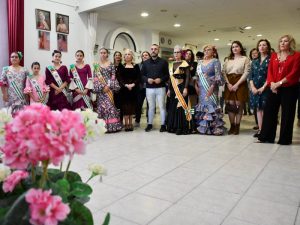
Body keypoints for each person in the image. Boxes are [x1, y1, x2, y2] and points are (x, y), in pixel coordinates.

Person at [258, 35, 300, 145]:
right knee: (269, 112)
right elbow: (270, 71)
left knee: (287, 114)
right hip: (274, 87)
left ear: (290, 43)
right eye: (281, 41)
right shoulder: (274, 55)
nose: (282, 43)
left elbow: (294, 73)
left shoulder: (296, 55)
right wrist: (272, 84)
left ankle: (284, 140)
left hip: (289, 88)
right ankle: (266, 137)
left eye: (285, 41)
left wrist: (279, 83)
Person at [194, 44, 226, 135]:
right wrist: (196, 85)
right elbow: (197, 75)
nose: (206, 51)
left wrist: (212, 87)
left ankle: (215, 128)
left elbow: (218, 76)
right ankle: (204, 128)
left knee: (212, 106)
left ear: (213, 52)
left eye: (209, 50)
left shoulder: (215, 61)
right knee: (203, 106)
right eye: (205, 50)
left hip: (212, 87)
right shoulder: (200, 62)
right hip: (201, 88)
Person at [222, 41, 250, 135]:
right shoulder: (228, 60)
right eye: (233, 47)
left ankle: (237, 126)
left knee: (238, 104)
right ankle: (232, 125)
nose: (234, 48)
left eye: (236, 46)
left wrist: (237, 84)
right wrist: (228, 83)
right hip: (229, 82)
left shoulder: (245, 59)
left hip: (240, 82)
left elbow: (246, 73)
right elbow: (223, 72)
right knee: (230, 105)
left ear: (240, 48)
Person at [93, 47, 122, 133]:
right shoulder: (96, 65)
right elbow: (95, 78)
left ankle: (112, 127)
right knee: (102, 107)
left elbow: (113, 76)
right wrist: (102, 87)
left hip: (109, 89)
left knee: (110, 106)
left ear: (107, 54)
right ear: (99, 54)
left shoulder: (111, 64)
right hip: (101, 90)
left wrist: (108, 86)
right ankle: (102, 127)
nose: (103, 54)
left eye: (104, 53)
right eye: (101, 53)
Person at [141, 44, 169, 132]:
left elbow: (167, 75)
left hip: (161, 88)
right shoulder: (145, 63)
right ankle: (149, 124)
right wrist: (146, 79)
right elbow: (141, 75)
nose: (153, 50)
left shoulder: (164, 62)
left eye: (155, 49)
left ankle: (163, 125)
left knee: (162, 107)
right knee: (151, 107)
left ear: (158, 50)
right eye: (152, 49)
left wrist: (161, 79)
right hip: (149, 88)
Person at [166, 45, 193, 135]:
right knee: (173, 107)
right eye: (175, 52)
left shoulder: (185, 63)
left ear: (181, 53)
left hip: (182, 87)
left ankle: (183, 127)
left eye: (178, 52)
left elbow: (188, 77)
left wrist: (185, 88)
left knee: (183, 106)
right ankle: (173, 126)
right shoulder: (171, 64)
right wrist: (169, 89)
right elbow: (170, 78)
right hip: (173, 88)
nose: (176, 54)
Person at [249, 40, 271, 137]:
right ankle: (260, 129)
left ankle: (266, 131)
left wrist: (263, 87)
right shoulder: (254, 61)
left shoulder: (271, 60)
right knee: (258, 109)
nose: (261, 47)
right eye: (260, 45)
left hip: (266, 88)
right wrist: (253, 87)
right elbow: (250, 76)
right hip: (255, 89)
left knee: (265, 109)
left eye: (264, 45)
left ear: (267, 47)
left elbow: (271, 76)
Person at [119, 49, 140, 131]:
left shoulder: (136, 66)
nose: (127, 55)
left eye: (129, 54)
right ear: (124, 56)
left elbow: (138, 77)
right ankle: (126, 123)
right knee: (125, 107)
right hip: (124, 90)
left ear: (132, 56)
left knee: (131, 106)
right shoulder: (121, 66)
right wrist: (126, 85)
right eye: (126, 54)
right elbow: (120, 78)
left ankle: (131, 123)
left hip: (133, 89)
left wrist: (133, 84)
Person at [135, 51, 150, 127]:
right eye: (143, 55)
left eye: (146, 55)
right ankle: (137, 120)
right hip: (140, 88)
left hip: (149, 88)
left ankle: (149, 121)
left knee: (149, 105)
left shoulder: (152, 65)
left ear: (149, 56)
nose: (144, 56)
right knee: (138, 105)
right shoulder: (138, 65)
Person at [113, 51, 124, 123]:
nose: (117, 56)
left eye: (119, 55)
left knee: (120, 106)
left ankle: (120, 121)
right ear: (114, 57)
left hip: (121, 89)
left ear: (120, 57)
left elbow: (123, 79)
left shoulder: (123, 67)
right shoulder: (111, 66)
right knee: (113, 105)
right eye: (116, 55)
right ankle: (114, 121)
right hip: (112, 89)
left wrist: (120, 86)